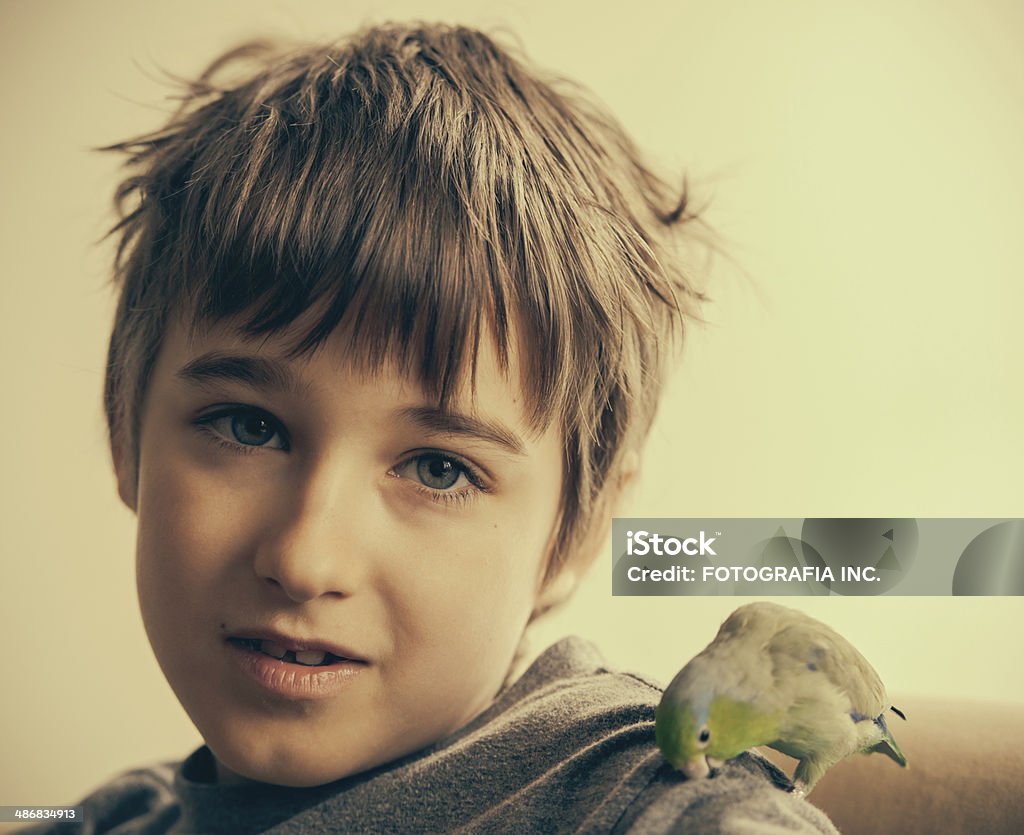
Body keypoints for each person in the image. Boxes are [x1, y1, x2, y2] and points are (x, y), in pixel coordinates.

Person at [34, 22, 837, 833]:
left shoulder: (630, 793)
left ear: (576, 535)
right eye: (249, 425)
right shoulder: (107, 815)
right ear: (123, 429)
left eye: (438, 468)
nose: (306, 560)